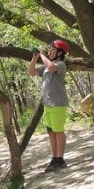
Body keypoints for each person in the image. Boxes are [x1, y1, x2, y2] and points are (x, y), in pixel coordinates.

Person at [30, 39, 70, 171]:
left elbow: (52, 67)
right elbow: (31, 72)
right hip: (47, 104)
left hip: (58, 103)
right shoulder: (46, 67)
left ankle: (60, 159)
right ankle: (54, 158)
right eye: (50, 49)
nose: (50, 51)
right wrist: (35, 58)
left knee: (58, 131)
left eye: (52, 49)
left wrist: (42, 55)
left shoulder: (61, 65)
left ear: (60, 52)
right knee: (51, 132)